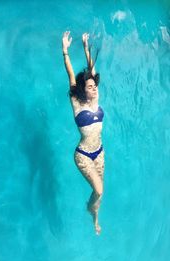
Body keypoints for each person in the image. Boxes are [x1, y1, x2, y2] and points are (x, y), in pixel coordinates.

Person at [62, 31, 105, 235]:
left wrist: (85, 47)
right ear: (83, 90)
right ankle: (89, 209)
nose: (94, 88)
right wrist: (65, 51)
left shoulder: (95, 99)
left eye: (94, 85)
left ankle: (95, 218)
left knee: (99, 194)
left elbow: (91, 69)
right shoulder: (77, 104)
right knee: (98, 190)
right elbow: (72, 76)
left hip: (100, 152)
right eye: (90, 87)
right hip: (84, 156)